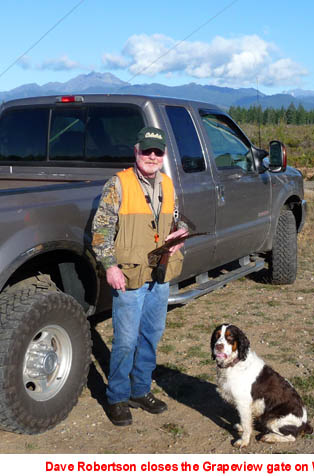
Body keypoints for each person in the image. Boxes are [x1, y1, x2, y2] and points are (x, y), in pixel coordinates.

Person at [92, 126, 188, 426]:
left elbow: (173, 219)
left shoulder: (168, 185)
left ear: (163, 155)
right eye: (146, 150)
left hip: (159, 275)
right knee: (126, 340)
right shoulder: (118, 185)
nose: (151, 156)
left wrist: (180, 232)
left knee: (151, 336)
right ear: (136, 152)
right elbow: (100, 231)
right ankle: (118, 397)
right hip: (130, 277)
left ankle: (140, 390)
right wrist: (110, 266)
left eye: (157, 152)